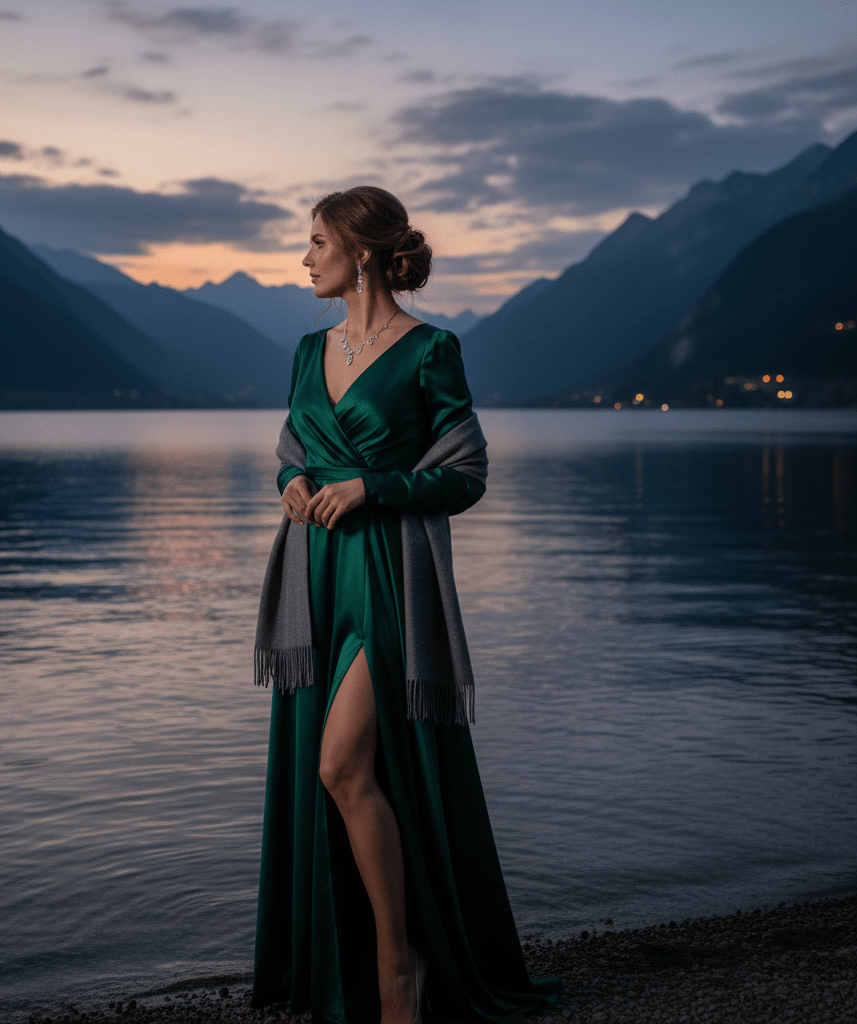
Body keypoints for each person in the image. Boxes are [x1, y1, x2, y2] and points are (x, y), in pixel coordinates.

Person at [252, 186, 560, 1024]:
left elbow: (466, 471)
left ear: (360, 252)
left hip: (389, 576)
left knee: (341, 764)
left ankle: (400, 963)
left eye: (316, 241)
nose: (304, 257)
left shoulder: (432, 351)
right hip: (316, 577)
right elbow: (290, 444)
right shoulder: (306, 349)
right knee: (341, 772)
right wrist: (294, 482)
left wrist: (372, 488)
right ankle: (359, 957)